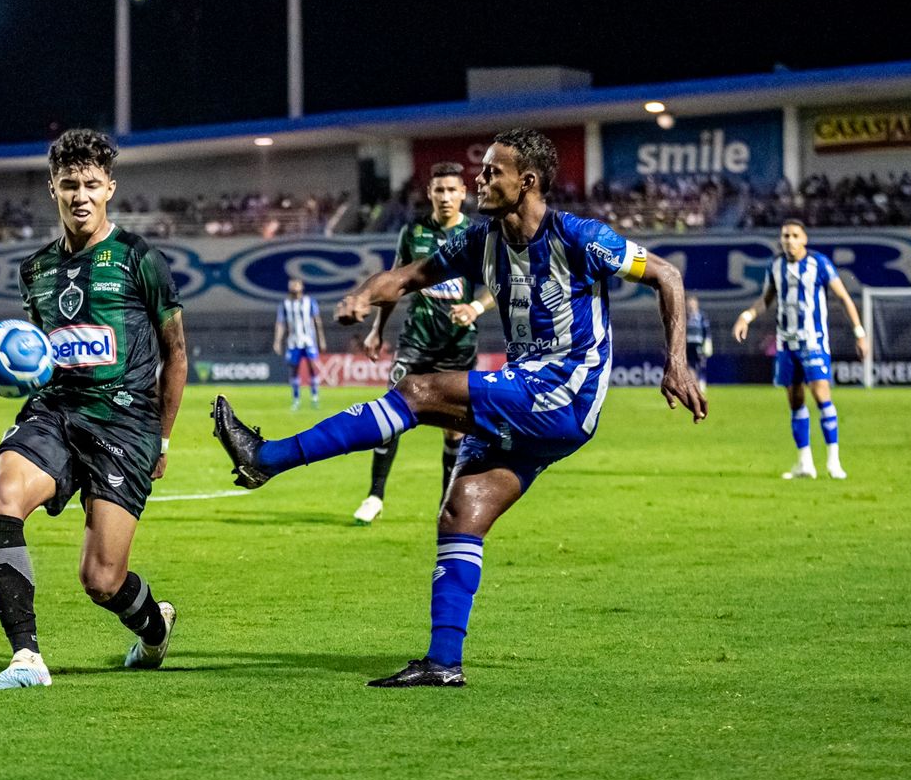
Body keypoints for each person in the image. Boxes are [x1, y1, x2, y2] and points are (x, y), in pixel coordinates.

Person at [212, 128, 707, 687]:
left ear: (529, 182)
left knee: (419, 391)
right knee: (461, 510)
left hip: (566, 389)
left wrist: (677, 363)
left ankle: (268, 456)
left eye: (493, 172)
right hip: (533, 397)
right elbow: (408, 276)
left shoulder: (581, 237)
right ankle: (443, 662)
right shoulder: (481, 240)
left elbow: (667, 274)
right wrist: (361, 296)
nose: (481, 180)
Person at [0, 129, 187, 690]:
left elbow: (177, 354)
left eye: (91, 184)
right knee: (1, 495)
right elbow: (43, 351)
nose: (80, 195)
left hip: (125, 423)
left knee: (100, 579)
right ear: (53, 188)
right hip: (56, 410)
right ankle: (26, 658)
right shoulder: (36, 271)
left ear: (110, 188)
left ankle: (154, 625)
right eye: (69, 184)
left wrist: (162, 440)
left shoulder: (139, 259)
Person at [353, 162, 494, 525]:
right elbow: (394, 284)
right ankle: (374, 496)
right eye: (439, 190)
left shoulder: (477, 235)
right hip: (415, 339)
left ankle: (446, 502)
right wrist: (377, 329)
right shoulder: (413, 232)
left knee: (453, 429)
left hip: (458, 344)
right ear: (429, 193)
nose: (445, 197)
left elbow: (501, 282)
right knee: (392, 413)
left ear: (464, 193)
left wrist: (476, 307)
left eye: (452, 190)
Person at [732, 219, 866, 480]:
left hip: (813, 341)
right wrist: (746, 316)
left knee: (821, 395)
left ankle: (833, 461)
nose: (789, 240)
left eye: (794, 235)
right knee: (794, 400)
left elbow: (843, 298)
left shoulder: (820, 264)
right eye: (785, 236)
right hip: (786, 343)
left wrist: (859, 332)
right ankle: (805, 463)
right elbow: (766, 300)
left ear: (804, 239)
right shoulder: (776, 266)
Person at [274, 278, 325, 410]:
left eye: (297, 284)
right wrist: (277, 341)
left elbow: (317, 321)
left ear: (302, 287)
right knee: (294, 371)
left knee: (312, 368)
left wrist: (321, 339)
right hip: (293, 342)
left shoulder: (309, 302)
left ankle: (315, 397)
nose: (294, 286)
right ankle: (296, 399)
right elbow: (280, 323)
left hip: (308, 341)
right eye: (292, 284)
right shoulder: (285, 304)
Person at [685, 295, 713, 393]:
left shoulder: (701, 315)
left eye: (693, 302)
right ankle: (693, 383)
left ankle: (701, 382)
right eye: (689, 302)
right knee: (689, 365)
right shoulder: (685, 316)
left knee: (701, 364)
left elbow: (706, 330)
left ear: (696, 303)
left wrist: (708, 341)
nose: (691, 305)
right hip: (688, 344)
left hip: (699, 344)